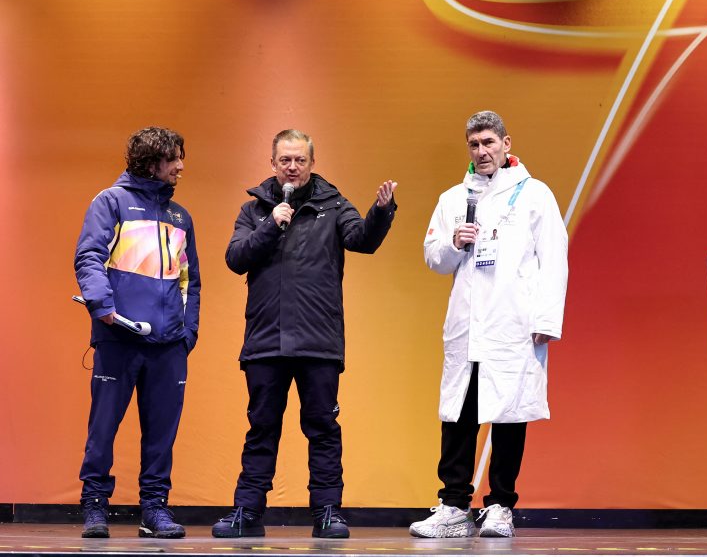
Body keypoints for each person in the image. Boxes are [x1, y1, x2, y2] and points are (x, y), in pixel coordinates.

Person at [212, 129, 397, 539]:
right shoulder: (254, 210)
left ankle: (328, 513)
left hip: (319, 341)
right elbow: (235, 258)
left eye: (300, 160)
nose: (292, 167)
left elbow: (362, 240)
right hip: (266, 341)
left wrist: (382, 211)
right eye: (285, 160)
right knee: (261, 428)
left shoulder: (335, 206)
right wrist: (270, 224)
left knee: (323, 429)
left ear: (312, 163)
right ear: (272, 163)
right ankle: (247, 512)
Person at [411, 111, 568, 538]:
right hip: (467, 324)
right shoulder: (453, 198)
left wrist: (546, 318)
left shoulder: (534, 194)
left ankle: (500, 506)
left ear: (506, 144)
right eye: (474, 144)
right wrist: (453, 242)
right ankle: (453, 507)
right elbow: (434, 258)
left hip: (512, 324)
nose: (482, 151)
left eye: (488, 142)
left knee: (508, 415)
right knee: (458, 415)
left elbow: (554, 259)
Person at [74, 127, 201, 539]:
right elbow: (89, 256)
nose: (180, 166)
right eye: (174, 159)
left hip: (169, 345)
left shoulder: (181, 217)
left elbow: (191, 281)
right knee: (103, 428)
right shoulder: (111, 202)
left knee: (162, 434)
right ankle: (95, 505)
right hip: (118, 339)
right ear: (151, 162)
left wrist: (187, 333)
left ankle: (154, 510)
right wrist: (102, 305)